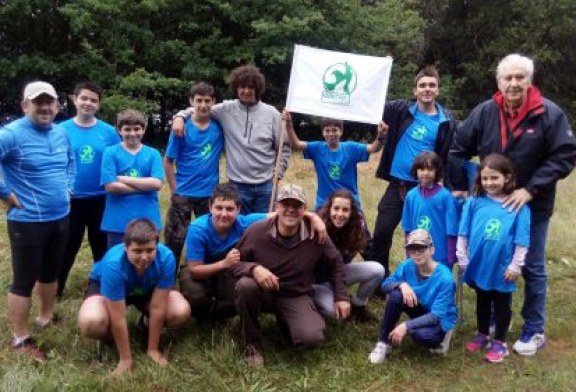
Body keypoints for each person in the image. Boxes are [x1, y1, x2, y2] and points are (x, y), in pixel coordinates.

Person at [449, 53, 576, 356]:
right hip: (488, 208)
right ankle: (492, 321)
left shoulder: (549, 114)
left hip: (531, 207)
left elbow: (565, 156)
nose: (514, 83)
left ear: (530, 81)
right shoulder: (484, 112)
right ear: (499, 82)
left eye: (521, 77)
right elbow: (457, 148)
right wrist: (463, 189)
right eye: (509, 78)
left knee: (530, 266)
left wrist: (530, 190)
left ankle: (534, 329)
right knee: (488, 259)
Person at [230, 183, 349, 366]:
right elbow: (234, 263)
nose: (290, 210)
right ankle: (252, 346)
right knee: (246, 285)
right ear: (277, 206)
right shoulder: (256, 231)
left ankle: (288, 324)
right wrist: (254, 269)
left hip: (296, 294)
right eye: (286, 204)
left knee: (311, 337)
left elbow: (336, 262)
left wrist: (342, 296)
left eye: (297, 206)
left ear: (304, 210)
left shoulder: (316, 233)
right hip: (263, 292)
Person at [0, 81, 75, 361]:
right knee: (23, 280)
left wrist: (69, 187)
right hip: (27, 221)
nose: (44, 107)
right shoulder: (11, 134)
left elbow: (71, 162)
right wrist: (6, 194)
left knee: (50, 273)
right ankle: (20, 338)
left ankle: (45, 317)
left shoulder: (61, 133)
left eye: (49, 102)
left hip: (61, 217)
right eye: (37, 102)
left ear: (56, 106)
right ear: (24, 105)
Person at [180, 182, 327, 322]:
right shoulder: (198, 229)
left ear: (238, 209)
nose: (224, 214)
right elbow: (194, 270)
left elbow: (280, 213)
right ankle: (204, 317)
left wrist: (313, 217)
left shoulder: (245, 222)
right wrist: (224, 263)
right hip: (201, 269)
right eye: (219, 208)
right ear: (210, 207)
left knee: (241, 290)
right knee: (195, 294)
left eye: (230, 209)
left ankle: (220, 313)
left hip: (228, 269)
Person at [372, 66, 457, 277]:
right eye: (422, 85)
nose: (427, 89)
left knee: (423, 236)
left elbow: (450, 155)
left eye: (432, 85)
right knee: (382, 232)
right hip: (397, 185)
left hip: (424, 188)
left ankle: (426, 277)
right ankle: (380, 278)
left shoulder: (446, 122)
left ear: (437, 90)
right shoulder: (401, 110)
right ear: (415, 90)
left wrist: (448, 184)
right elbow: (370, 106)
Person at [77, 219, 190, 376]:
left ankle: (145, 325)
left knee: (180, 310)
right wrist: (126, 359)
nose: (144, 257)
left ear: (157, 247)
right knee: (91, 321)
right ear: (126, 247)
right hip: (109, 287)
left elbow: (158, 307)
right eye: (137, 251)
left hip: (146, 289)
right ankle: (110, 336)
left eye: (150, 250)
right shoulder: (113, 264)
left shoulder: (166, 258)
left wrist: (153, 350)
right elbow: (118, 317)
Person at [172, 65, 290, 213]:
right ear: (236, 88)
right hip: (238, 185)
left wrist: (277, 176)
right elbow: (201, 108)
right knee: (239, 229)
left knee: (263, 228)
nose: (246, 91)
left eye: (250, 87)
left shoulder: (271, 113)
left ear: (257, 88)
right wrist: (180, 116)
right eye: (242, 86)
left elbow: (283, 147)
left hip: (266, 186)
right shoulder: (226, 110)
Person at [457, 154, 530, 363]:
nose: (489, 183)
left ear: (507, 177)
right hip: (479, 264)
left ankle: (499, 342)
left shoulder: (519, 206)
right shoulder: (473, 202)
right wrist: (462, 258)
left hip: (502, 267)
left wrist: (516, 265)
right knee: (482, 301)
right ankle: (482, 334)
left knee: (501, 304)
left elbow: (522, 240)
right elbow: (463, 232)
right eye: (485, 178)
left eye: (494, 178)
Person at [57, 81, 121, 297]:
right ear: (74, 99)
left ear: (99, 104)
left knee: (101, 246)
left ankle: (102, 286)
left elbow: (117, 161)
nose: (88, 103)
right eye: (84, 98)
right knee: (67, 245)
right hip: (71, 199)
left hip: (102, 198)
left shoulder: (110, 132)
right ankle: (56, 288)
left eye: (93, 100)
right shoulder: (60, 130)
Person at [368, 229, 457, 364]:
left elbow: (435, 316)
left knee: (423, 336)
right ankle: (383, 342)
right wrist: (402, 284)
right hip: (421, 309)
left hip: (439, 317)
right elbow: (385, 285)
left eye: (421, 248)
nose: (416, 253)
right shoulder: (408, 265)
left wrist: (405, 325)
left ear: (432, 249)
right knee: (396, 294)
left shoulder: (445, 279)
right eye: (412, 249)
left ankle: (445, 335)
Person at [163, 82, 224, 264]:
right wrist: (175, 190)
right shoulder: (181, 128)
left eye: (207, 101)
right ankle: (167, 282)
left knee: (208, 239)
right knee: (174, 241)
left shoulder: (219, 127)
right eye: (199, 100)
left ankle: (204, 279)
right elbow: (168, 161)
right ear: (191, 101)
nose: (203, 105)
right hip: (183, 194)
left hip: (209, 195)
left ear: (213, 102)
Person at [284, 111, 386, 210]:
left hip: (350, 203)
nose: (331, 133)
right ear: (323, 132)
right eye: (327, 130)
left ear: (341, 131)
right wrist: (288, 124)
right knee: (319, 227)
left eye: (334, 130)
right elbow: (296, 144)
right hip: (324, 204)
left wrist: (381, 135)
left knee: (358, 227)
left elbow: (374, 148)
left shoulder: (351, 148)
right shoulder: (317, 148)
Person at [314, 190, 384, 322]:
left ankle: (358, 306)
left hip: (338, 276)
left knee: (377, 270)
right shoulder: (317, 225)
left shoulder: (356, 226)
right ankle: (315, 305)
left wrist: (387, 283)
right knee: (334, 314)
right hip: (316, 282)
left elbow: (369, 250)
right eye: (336, 208)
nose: (340, 214)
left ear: (351, 212)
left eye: (345, 210)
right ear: (329, 208)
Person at [100, 109, 164, 248]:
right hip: (118, 221)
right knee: (118, 260)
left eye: (137, 129)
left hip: (148, 219)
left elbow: (157, 184)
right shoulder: (110, 152)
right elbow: (111, 187)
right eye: (127, 129)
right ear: (119, 130)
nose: (132, 133)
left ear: (144, 129)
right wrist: (145, 186)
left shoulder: (153, 154)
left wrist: (124, 179)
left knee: (147, 259)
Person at [401, 151, 459, 269]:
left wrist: (451, 256)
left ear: (437, 171)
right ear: (416, 170)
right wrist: (408, 253)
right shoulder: (411, 196)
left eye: (430, 169)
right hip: (417, 253)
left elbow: (452, 230)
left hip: (440, 255)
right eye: (422, 169)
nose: (425, 173)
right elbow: (407, 229)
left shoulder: (446, 196)